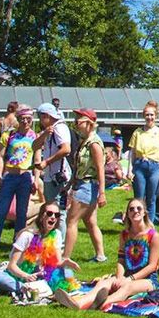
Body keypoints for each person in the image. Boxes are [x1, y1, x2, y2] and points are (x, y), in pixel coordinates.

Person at [54, 197, 159, 311]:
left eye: (139, 208)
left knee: (127, 287)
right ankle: (78, 303)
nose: (135, 211)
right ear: (127, 214)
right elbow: (121, 260)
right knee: (102, 284)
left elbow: (152, 266)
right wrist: (119, 278)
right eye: (131, 209)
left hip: (148, 280)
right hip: (126, 275)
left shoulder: (153, 235)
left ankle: (98, 305)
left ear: (144, 212)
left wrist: (129, 279)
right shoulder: (124, 235)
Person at [0, 201, 80, 297]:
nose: (53, 217)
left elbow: (57, 263)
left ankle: (40, 289)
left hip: (40, 273)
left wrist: (66, 263)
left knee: (67, 271)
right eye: (49, 213)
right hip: (20, 274)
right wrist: (26, 276)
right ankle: (24, 288)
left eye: (57, 215)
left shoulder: (56, 234)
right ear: (41, 216)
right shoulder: (27, 235)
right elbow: (11, 266)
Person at [0, 105, 37, 254]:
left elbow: (37, 159)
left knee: (22, 211)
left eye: (28, 119)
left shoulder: (35, 137)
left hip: (25, 176)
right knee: (1, 209)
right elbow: (0, 156)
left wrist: (36, 179)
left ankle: (17, 241)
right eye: (22, 119)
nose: (25, 121)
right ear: (18, 119)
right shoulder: (9, 136)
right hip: (10, 175)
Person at [64, 108, 107, 262]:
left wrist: (102, 193)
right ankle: (100, 255)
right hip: (86, 185)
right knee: (90, 222)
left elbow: (100, 169)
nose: (75, 123)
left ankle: (65, 257)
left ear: (89, 123)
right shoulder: (86, 141)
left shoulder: (94, 144)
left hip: (87, 185)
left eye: (78, 120)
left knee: (71, 221)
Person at [127, 100, 159, 224]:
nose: (150, 117)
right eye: (147, 115)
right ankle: (136, 223)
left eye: (152, 115)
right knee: (138, 198)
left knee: (151, 198)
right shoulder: (137, 132)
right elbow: (132, 152)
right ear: (144, 116)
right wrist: (129, 169)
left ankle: (149, 224)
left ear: (156, 116)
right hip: (140, 166)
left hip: (155, 166)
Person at [32, 102, 71, 237]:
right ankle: (51, 240)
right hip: (50, 176)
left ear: (46, 116)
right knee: (50, 208)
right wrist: (43, 135)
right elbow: (34, 146)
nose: (40, 121)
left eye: (41, 117)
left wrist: (46, 162)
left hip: (58, 177)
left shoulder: (60, 128)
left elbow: (66, 149)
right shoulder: (50, 129)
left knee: (58, 212)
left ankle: (59, 245)